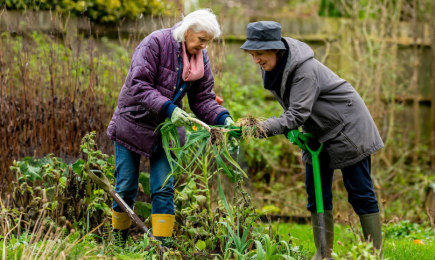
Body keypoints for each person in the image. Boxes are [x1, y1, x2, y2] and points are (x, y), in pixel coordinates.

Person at [230, 21, 384, 259]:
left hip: (349, 128)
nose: (256, 60)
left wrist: (259, 127)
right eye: (252, 54)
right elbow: (294, 109)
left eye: (259, 54)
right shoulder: (273, 67)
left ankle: (374, 255)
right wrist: (290, 129)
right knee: (316, 192)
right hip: (318, 131)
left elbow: (296, 113)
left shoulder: (304, 70)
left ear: (276, 49)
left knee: (359, 192)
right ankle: (323, 254)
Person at [106, 9, 235, 243]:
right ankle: (118, 242)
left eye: (208, 42)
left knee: (163, 188)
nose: (204, 47)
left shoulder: (199, 58)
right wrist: (169, 108)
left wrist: (223, 118)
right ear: (187, 32)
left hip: (167, 129)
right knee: (125, 186)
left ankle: (160, 247)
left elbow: (203, 99)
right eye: (202, 40)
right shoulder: (155, 43)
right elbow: (139, 83)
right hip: (133, 121)